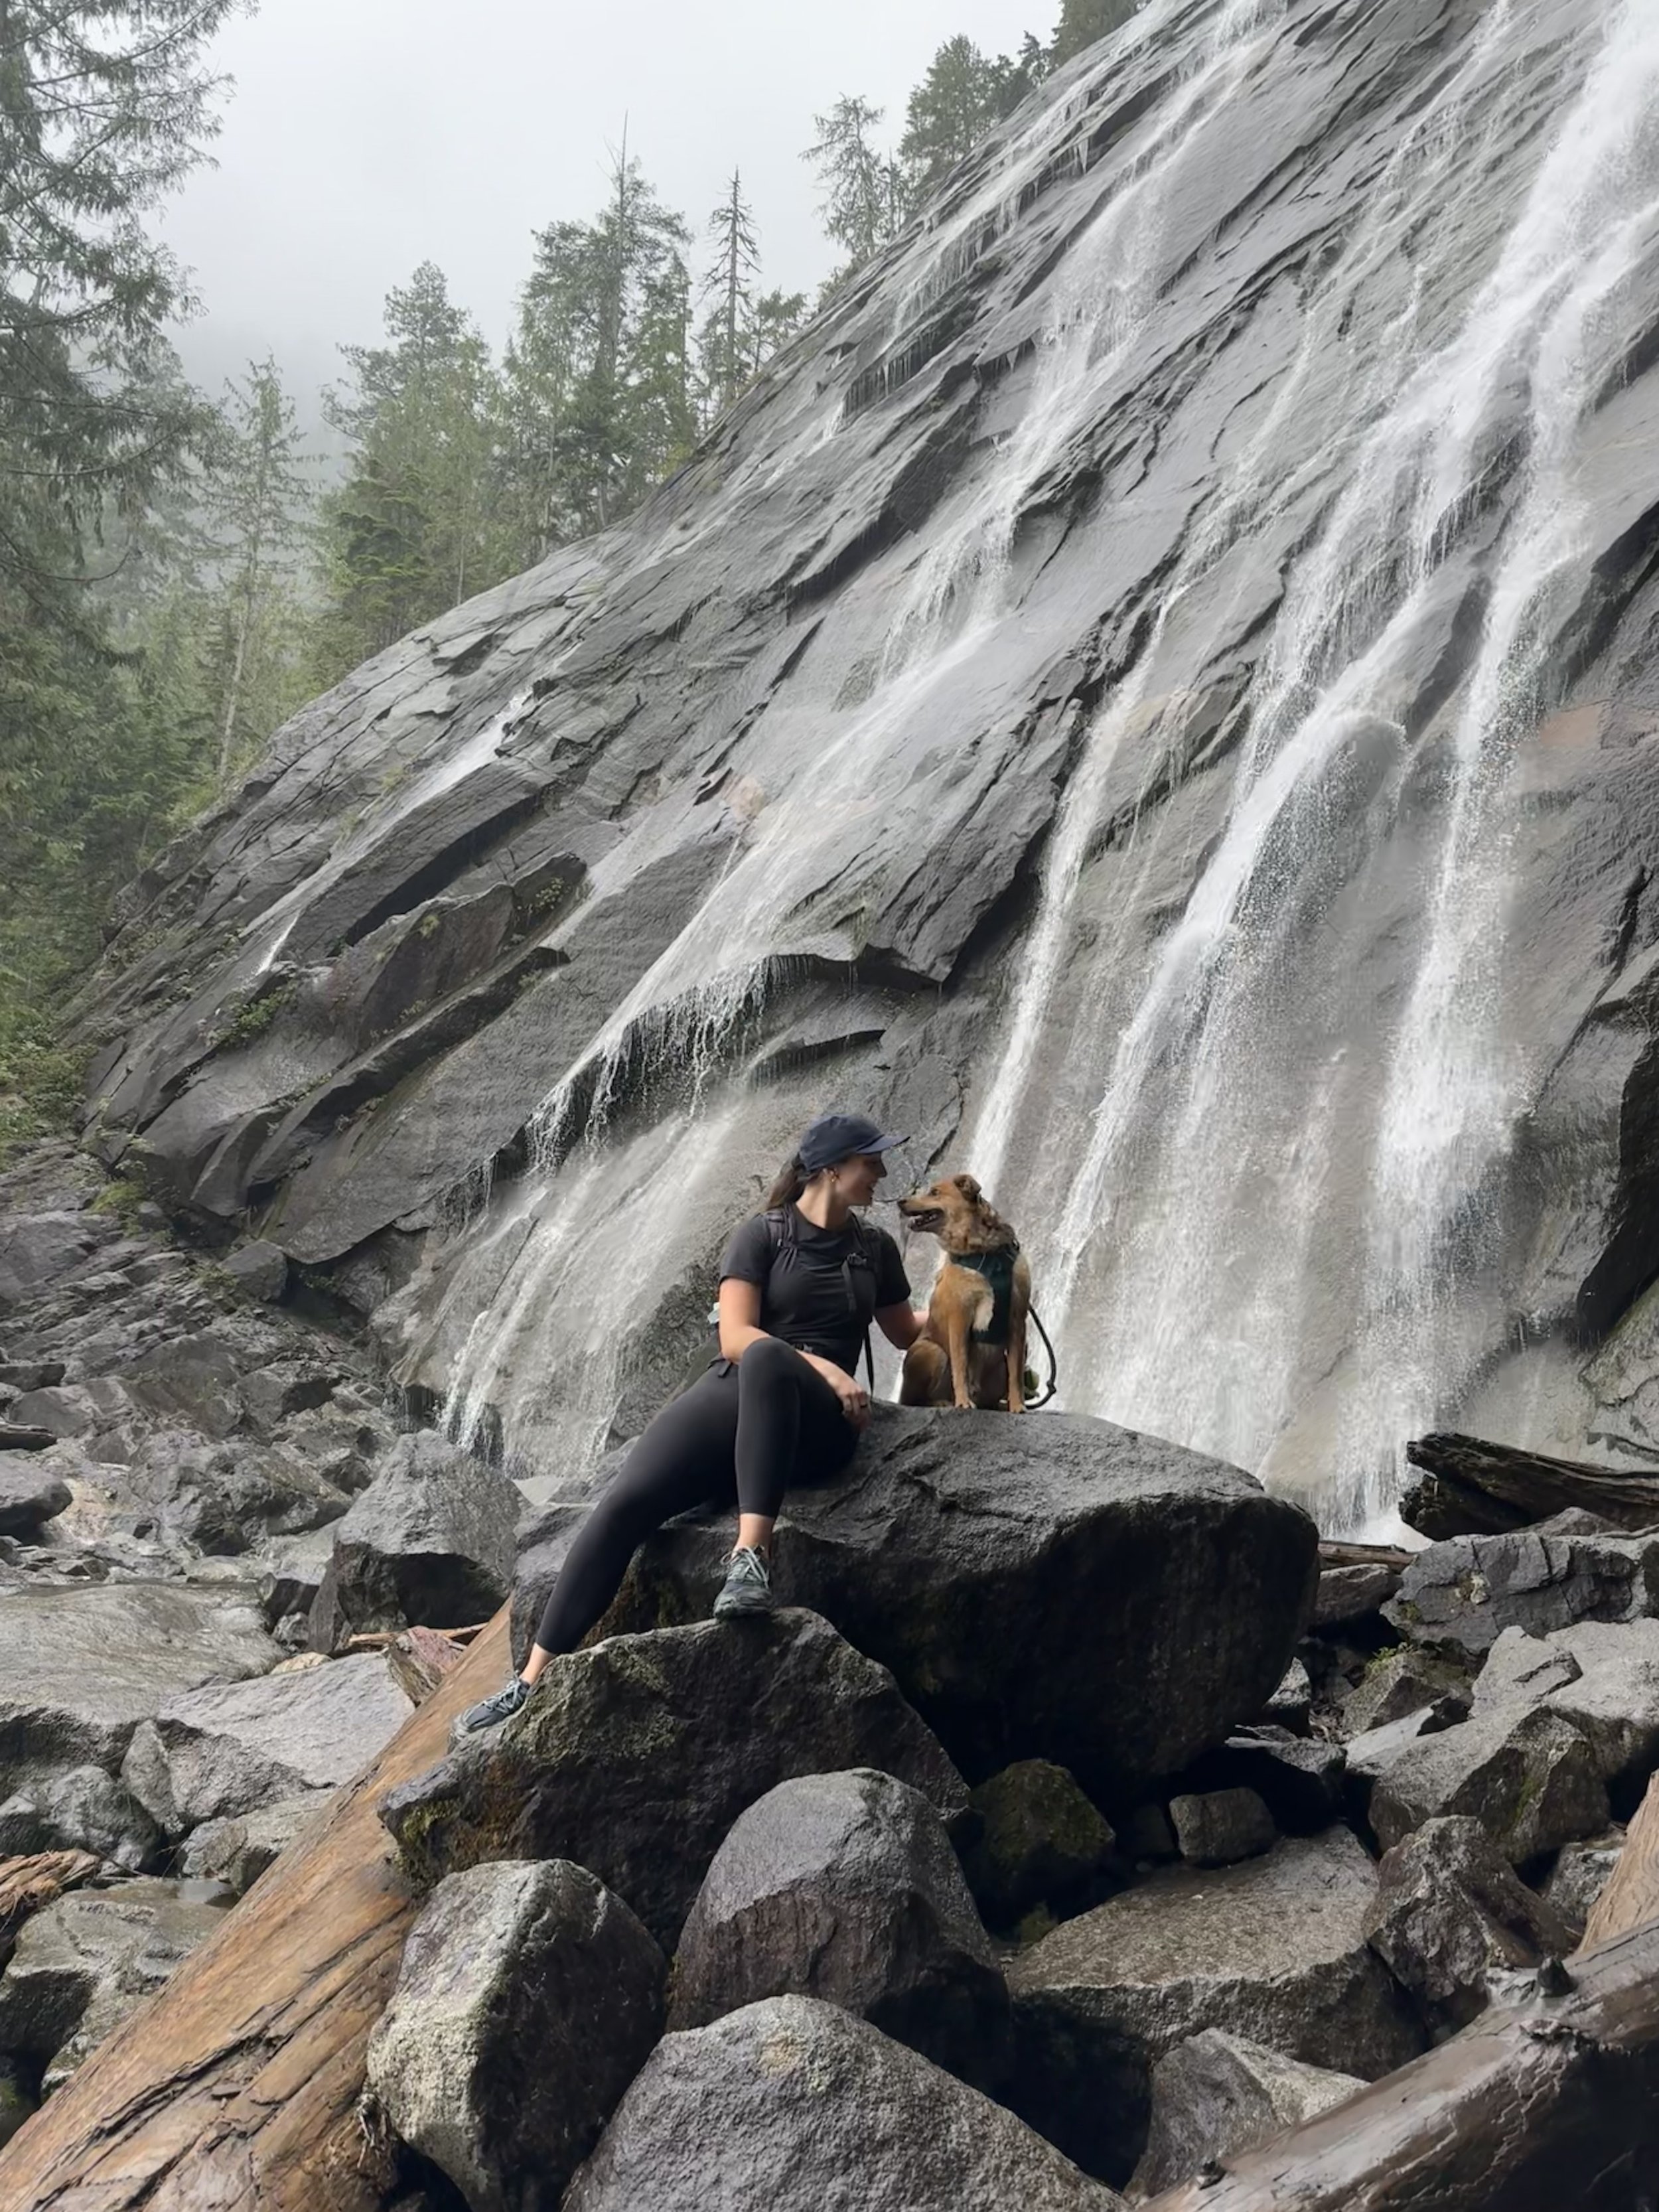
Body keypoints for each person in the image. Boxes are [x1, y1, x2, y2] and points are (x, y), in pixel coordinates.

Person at [457, 1110, 928, 1734]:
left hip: (820, 1425)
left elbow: (907, 1331)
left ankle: (750, 1558)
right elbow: (735, 1338)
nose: (882, 1172)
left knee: (771, 1359)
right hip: (741, 1389)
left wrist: (983, 1297)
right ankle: (528, 1682)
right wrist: (828, 1366)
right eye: (871, 1161)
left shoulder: (874, 1249)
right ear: (831, 1169)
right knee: (625, 1503)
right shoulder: (762, 1235)